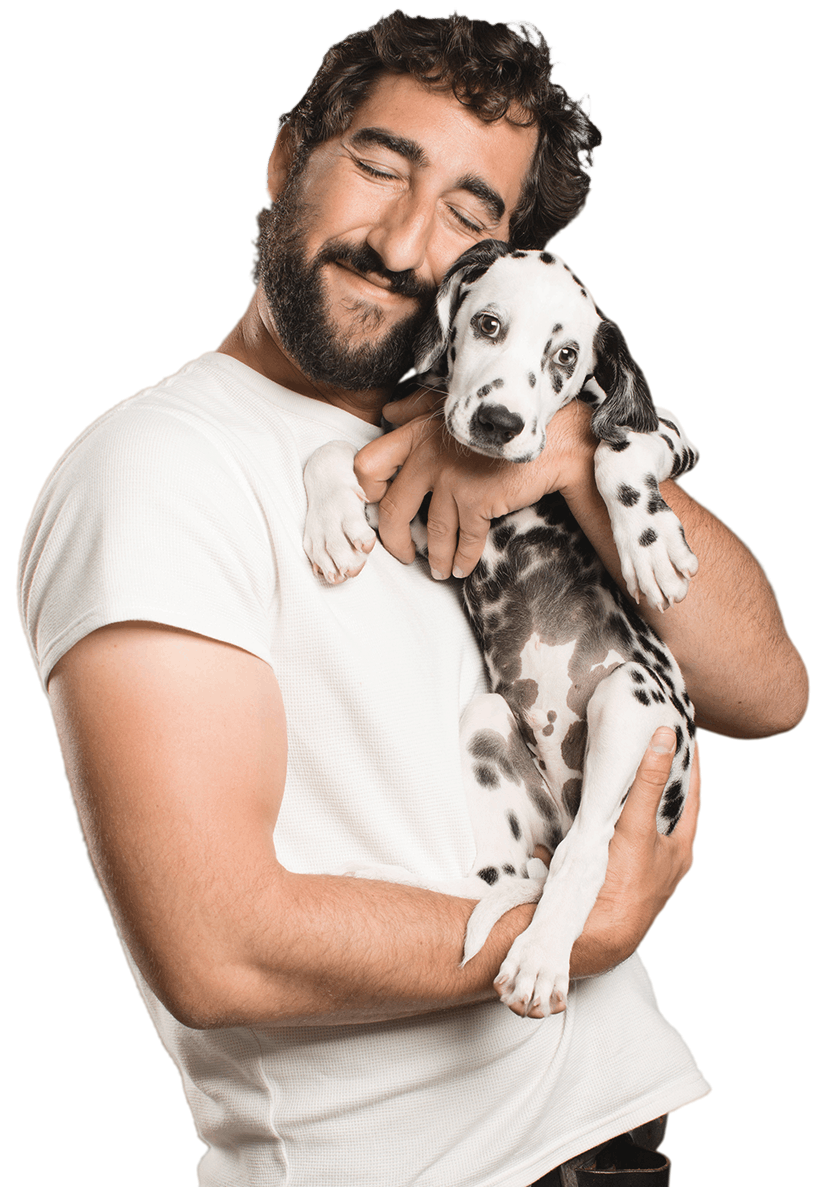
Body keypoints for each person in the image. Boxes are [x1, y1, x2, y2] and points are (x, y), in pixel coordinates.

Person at [18, 12, 807, 1187]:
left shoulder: (501, 438)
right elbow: (214, 945)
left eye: (466, 214)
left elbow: (768, 686)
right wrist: (565, 932)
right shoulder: (161, 470)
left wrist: (564, 455)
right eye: (378, 167)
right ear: (289, 160)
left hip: (612, 1145)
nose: (400, 239)